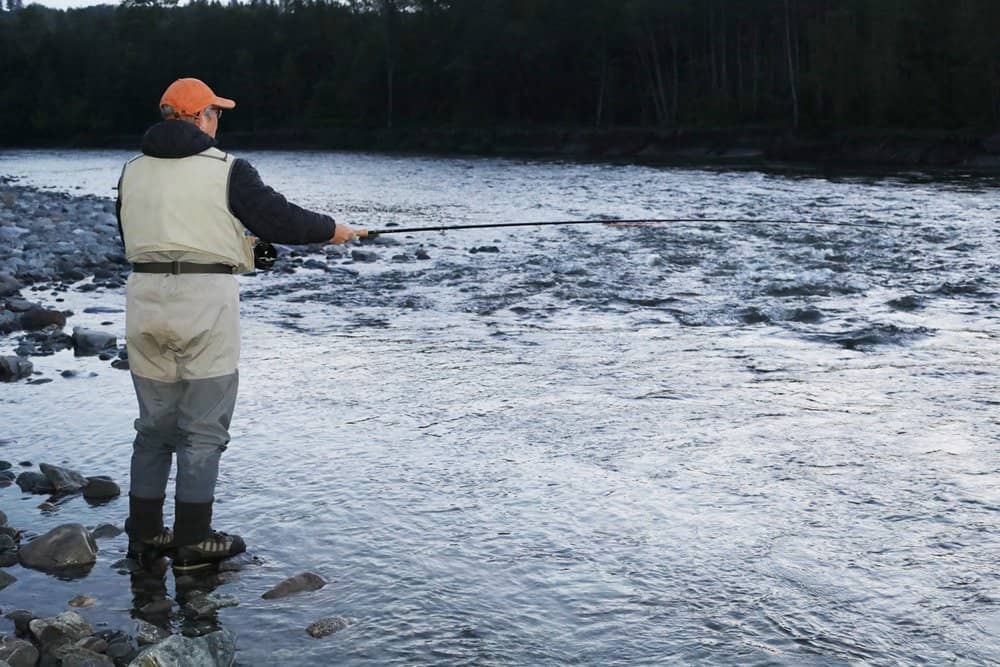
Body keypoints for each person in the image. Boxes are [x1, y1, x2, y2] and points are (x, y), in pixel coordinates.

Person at [116, 77, 364, 572]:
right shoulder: (228, 169)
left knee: (154, 429)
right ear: (203, 116)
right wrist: (335, 231)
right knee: (202, 429)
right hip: (205, 306)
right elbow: (281, 219)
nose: (218, 121)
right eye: (216, 113)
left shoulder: (131, 171)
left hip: (143, 302)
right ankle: (193, 539)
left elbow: (146, 235)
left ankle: (145, 536)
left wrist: (242, 251)